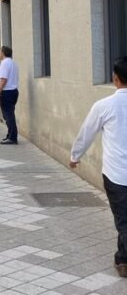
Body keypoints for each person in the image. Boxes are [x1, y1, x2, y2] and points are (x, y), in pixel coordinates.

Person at [69, 57, 127, 278]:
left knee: (123, 220)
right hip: (117, 174)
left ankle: (124, 259)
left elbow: (86, 133)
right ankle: (122, 260)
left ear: (115, 78)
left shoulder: (104, 106)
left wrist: (75, 156)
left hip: (116, 175)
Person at [0, 46, 20, 145]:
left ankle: (12, 138)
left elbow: (3, 79)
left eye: (0, 52)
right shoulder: (13, 63)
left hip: (7, 92)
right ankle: (10, 135)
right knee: (9, 114)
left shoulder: (5, 63)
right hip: (13, 91)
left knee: (8, 116)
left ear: (3, 52)